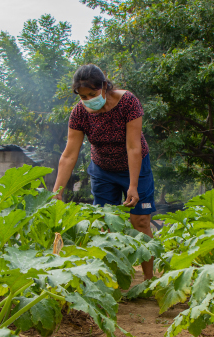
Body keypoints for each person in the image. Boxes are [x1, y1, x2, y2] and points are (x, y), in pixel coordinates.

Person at [53, 64, 156, 280]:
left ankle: (148, 280)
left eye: (92, 94)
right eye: (82, 96)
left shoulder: (127, 102)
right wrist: (57, 191)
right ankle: (111, 280)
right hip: (102, 171)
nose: (88, 100)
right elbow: (69, 155)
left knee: (140, 222)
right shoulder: (79, 113)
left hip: (135, 167)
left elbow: (133, 147)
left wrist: (133, 186)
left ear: (105, 86)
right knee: (105, 226)